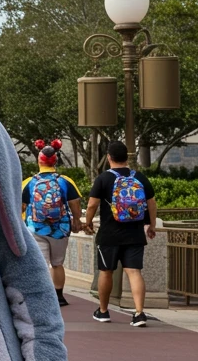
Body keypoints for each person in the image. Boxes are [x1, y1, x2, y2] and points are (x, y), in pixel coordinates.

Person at [84, 140, 157, 327]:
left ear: (109, 157)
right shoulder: (139, 177)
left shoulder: (103, 178)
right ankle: (139, 313)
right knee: (134, 272)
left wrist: (88, 222)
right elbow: (151, 203)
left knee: (106, 271)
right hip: (134, 234)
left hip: (109, 234)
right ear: (126, 157)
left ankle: (102, 311)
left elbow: (92, 204)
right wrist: (151, 225)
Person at [21, 139, 83, 306]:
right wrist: (77, 220)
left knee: (40, 264)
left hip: (35, 228)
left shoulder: (28, 182)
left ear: (39, 160)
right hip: (60, 229)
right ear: (55, 160)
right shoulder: (65, 181)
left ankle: (41, 297)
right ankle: (59, 296)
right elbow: (75, 203)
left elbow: (20, 205)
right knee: (57, 264)